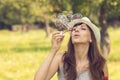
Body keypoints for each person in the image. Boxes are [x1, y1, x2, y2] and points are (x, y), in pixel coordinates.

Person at [34, 16, 108, 80]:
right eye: (74, 29)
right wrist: (54, 50)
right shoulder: (61, 59)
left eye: (83, 29)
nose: (76, 30)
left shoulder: (100, 63)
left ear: (91, 38)